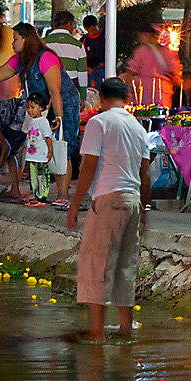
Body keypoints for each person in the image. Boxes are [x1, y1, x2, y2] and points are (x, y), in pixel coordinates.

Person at [67, 77, 151, 341]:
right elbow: (144, 173)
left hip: (108, 198)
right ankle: (126, 327)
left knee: (98, 261)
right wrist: (145, 210)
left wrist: (74, 204)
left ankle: (97, 331)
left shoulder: (98, 122)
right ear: (125, 98)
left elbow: (89, 166)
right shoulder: (138, 127)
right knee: (126, 265)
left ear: (101, 99)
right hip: (133, 200)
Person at [0, 22, 80, 207]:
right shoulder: (19, 60)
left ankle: (63, 195)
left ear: (26, 39)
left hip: (61, 105)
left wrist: (58, 117)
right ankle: (40, 193)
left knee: (60, 147)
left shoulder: (46, 57)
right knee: (38, 149)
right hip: (39, 108)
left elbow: (55, 91)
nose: (12, 44)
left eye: (15, 39)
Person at [121, 23, 181, 109]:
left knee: (144, 117)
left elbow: (132, 72)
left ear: (146, 35)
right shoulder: (168, 52)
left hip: (143, 93)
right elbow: (176, 75)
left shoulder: (141, 51)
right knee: (161, 118)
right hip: (163, 94)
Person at [45, 11, 88, 104]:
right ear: (69, 23)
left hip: (48, 89)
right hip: (71, 89)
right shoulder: (78, 45)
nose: (73, 28)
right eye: (73, 25)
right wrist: (83, 97)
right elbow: (82, 73)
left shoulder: (44, 43)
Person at [23, 93, 53, 206]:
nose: (30, 110)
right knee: (33, 176)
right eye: (28, 107)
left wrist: (50, 151)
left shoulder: (43, 122)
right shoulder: (31, 121)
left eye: (33, 107)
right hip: (32, 155)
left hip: (41, 155)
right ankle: (35, 194)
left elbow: (47, 138)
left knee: (42, 175)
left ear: (41, 107)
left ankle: (42, 195)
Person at [81, 15, 105, 90]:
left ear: (97, 25)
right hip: (90, 71)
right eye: (89, 31)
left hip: (104, 69)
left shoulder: (105, 36)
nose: (91, 33)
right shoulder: (84, 40)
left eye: (93, 30)